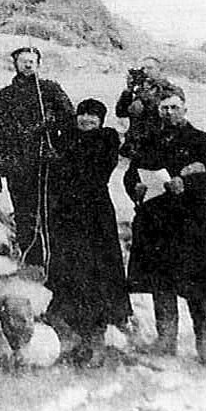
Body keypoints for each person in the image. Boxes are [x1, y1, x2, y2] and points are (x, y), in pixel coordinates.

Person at [123, 87, 206, 365]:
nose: (169, 113)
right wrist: (136, 188)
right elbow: (131, 174)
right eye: (164, 108)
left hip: (193, 224)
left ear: (185, 108)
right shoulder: (149, 142)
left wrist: (188, 184)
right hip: (157, 223)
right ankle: (166, 339)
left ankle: (204, 341)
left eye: (174, 107)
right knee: (161, 284)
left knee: (198, 286)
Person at [47, 98, 133, 366]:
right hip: (67, 214)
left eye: (92, 116)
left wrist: (61, 157)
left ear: (101, 121)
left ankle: (96, 339)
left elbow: (89, 170)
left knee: (96, 272)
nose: (86, 119)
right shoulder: (67, 137)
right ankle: (73, 334)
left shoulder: (106, 139)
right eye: (82, 114)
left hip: (94, 215)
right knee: (71, 270)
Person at [0, 46, 74, 271]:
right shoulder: (4, 96)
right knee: (24, 215)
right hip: (17, 165)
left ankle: (57, 265)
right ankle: (32, 263)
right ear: (15, 64)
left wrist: (57, 140)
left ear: (39, 64)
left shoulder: (50, 90)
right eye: (23, 60)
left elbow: (71, 123)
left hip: (47, 164)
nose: (28, 64)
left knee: (51, 213)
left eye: (32, 61)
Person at [115, 56, 175, 157]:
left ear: (160, 70)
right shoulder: (140, 90)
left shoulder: (171, 90)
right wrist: (128, 90)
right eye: (143, 69)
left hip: (158, 145)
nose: (146, 72)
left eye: (150, 68)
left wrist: (144, 95)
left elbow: (165, 113)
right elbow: (121, 113)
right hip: (134, 145)